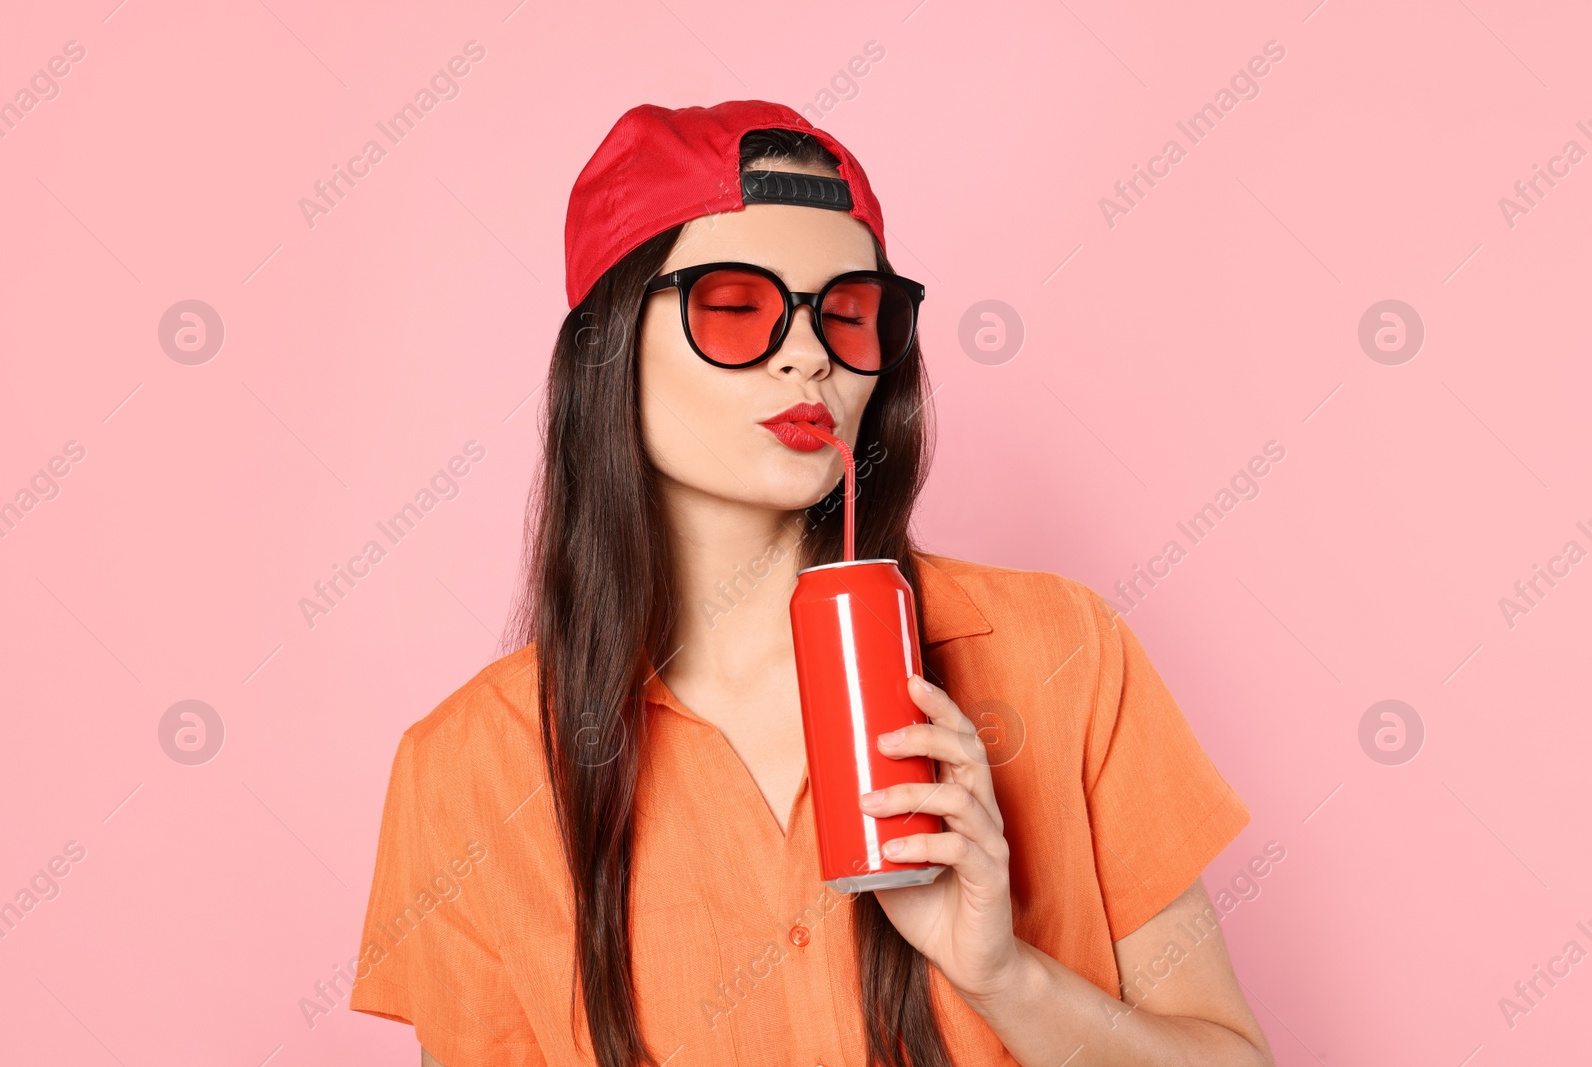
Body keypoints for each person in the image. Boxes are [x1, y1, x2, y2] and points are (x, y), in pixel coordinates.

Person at [349, 100, 1275, 1067]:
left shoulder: (1062, 651)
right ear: (608, 347)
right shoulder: (467, 769)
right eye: (736, 307)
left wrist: (1005, 975)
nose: (810, 354)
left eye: (847, 313)